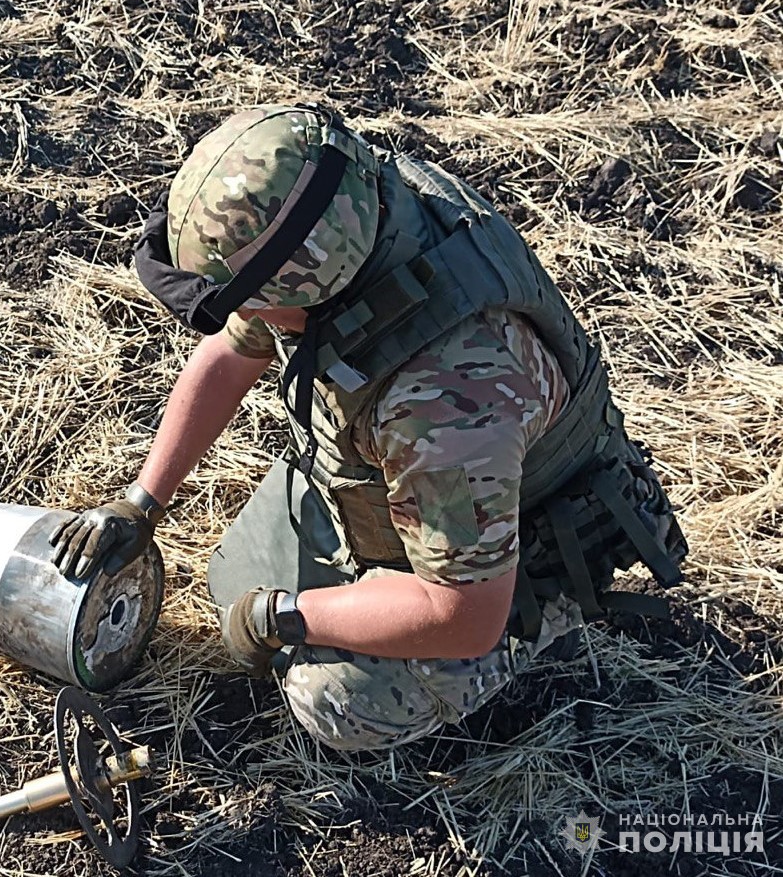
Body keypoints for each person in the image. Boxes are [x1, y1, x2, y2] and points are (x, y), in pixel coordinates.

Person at [49, 104, 687, 751]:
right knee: (234, 573)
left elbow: (462, 613)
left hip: (520, 551)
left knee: (336, 700)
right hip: (430, 486)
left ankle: (548, 626)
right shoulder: (349, 211)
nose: (249, 314)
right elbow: (233, 350)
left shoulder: (440, 401)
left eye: (249, 299)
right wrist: (141, 501)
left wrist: (281, 617)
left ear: (296, 286)